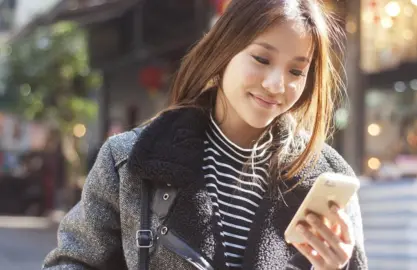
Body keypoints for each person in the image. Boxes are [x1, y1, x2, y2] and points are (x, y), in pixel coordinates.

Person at [43, 0, 367, 269]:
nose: (276, 84)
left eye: (296, 70)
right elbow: (72, 261)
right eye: (261, 59)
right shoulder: (130, 160)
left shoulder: (326, 176)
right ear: (224, 52)